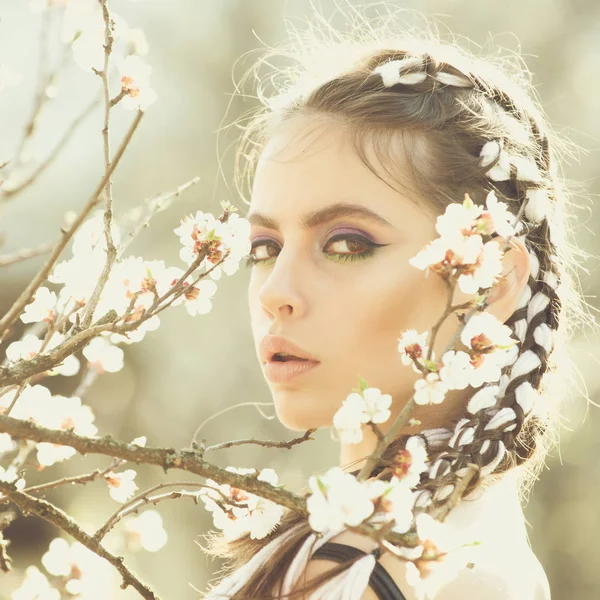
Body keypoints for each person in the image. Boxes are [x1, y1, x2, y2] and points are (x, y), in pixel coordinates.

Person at [199, 7, 589, 600]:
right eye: (265, 246)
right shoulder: (345, 546)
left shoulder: (450, 577)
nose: (276, 291)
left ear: (491, 279)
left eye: (347, 244)